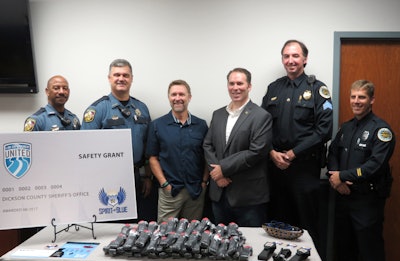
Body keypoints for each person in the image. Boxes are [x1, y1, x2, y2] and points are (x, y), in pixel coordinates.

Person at [326, 80, 395, 261]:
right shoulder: (346, 127)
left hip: (367, 200)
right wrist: (337, 180)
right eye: (353, 97)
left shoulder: (381, 130)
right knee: (344, 247)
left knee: (369, 250)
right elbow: (333, 154)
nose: (356, 101)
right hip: (343, 197)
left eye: (362, 97)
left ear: (371, 100)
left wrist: (343, 177)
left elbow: (375, 165)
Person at [261, 39, 333, 246]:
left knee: (307, 227)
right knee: (276, 226)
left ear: (305, 59)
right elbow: (262, 126)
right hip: (276, 169)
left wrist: (293, 153)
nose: (290, 60)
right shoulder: (274, 88)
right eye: (286, 56)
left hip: (304, 169)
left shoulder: (318, 89)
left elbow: (324, 130)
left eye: (295, 56)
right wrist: (271, 153)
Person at [81, 59, 154, 221]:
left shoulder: (141, 108)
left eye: (125, 75)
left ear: (131, 78)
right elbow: (85, 149)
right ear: (109, 78)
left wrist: (148, 177)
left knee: (136, 224)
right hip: (108, 180)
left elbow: (148, 147)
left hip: (137, 177)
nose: (121, 78)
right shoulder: (97, 109)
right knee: (111, 227)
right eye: (117, 75)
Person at [203, 67, 272, 227]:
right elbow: (207, 144)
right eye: (231, 83)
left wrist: (224, 169)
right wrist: (217, 174)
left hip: (248, 198)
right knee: (219, 244)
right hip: (219, 194)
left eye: (240, 83)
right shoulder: (218, 114)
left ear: (249, 86)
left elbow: (257, 151)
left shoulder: (261, 116)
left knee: (249, 246)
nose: (235, 87)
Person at [146, 80, 209, 222]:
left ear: (189, 97)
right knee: (164, 235)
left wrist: (204, 182)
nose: (177, 98)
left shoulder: (201, 125)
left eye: (182, 94)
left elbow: (207, 156)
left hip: (195, 192)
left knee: (192, 235)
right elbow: (153, 158)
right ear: (169, 97)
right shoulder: (157, 125)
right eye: (173, 94)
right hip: (170, 192)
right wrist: (164, 184)